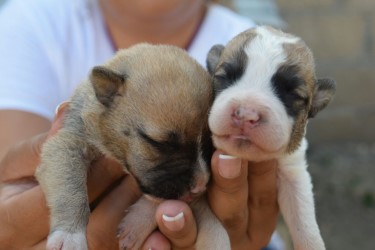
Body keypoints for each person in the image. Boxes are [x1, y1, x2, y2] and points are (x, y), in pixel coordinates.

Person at [0, 0, 280, 249]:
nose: (199, 181)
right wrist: (66, 226)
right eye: (161, 144)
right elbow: (35, 166)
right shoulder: (31, 22)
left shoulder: (246, 46)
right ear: (107, 93)